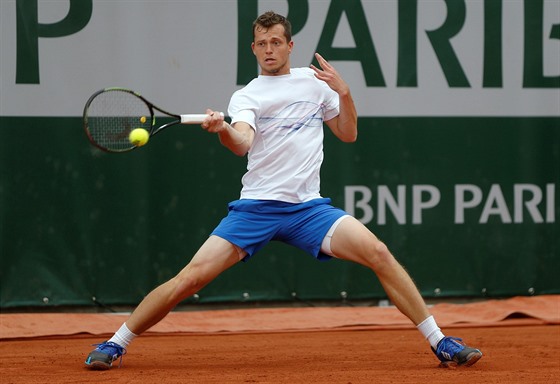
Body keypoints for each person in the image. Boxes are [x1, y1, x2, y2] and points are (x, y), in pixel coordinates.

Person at [85, 11, 482, 370]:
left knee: (378, 252)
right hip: (256, 209)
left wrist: (344, 93)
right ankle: (116, 343)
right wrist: (223, 129)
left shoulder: (316, 83)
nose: (269, 49)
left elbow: (348, 134)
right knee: (189, 279)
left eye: (276, 42)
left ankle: (440, 341)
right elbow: (241, 142)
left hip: (309, 210)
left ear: (290, 45)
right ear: (253, 48)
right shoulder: (247, 96)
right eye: (262, 43)